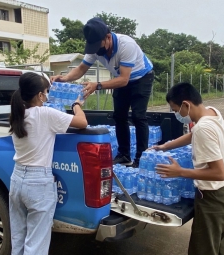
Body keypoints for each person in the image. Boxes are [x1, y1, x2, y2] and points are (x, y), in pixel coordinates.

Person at [154, 82, 224, 255]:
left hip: (214, 201)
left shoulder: (203, 127)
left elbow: (217, 172)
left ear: (185, 105)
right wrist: (166, 146)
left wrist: (180, 172)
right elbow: (193, 136)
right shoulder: (212, 114)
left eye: (176, 110)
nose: (177, 115)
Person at [9, 72, 87, 255]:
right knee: (36, 249)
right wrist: (76, 104)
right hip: (38, 184)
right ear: (41, 95)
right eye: (46, 92)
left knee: (19, 244)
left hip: (17, 180)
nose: (47, 95)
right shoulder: (45, 114)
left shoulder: (17, 112)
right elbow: (82, 123)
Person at [50, 17, 154, 168]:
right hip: (121, 79)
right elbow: (81, 69)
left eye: (98, 45)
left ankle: (141, 159)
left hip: (141, 77)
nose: (96, 49)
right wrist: (64, 78)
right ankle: (124, 155)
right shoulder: (96, 49)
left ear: (108, 37)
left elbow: (124, 79)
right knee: (119, 116)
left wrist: (97, 85)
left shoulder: (127, 45)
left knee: (138, 116)